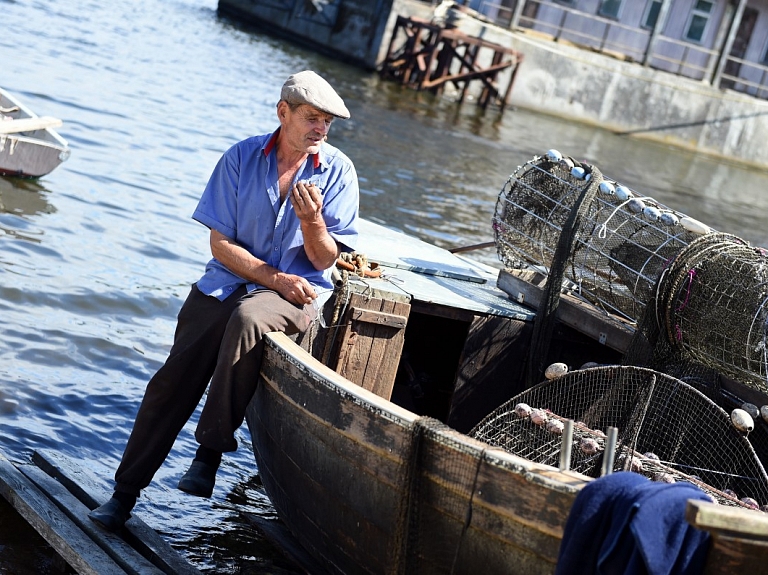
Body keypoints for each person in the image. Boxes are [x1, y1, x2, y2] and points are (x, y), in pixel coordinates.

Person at [88, 70, 359, 532]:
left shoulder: (337, 170)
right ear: (283, 112)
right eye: (311, 118)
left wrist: (313, 223)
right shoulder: (240, 158)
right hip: (228, 280)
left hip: (298, 293)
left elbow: (324, 258)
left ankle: (210, 453)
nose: (320, 129)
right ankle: (123, 495)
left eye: (327, 123)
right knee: (170, 383)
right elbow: (220, 246)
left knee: (249, 317)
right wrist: (272, 276)